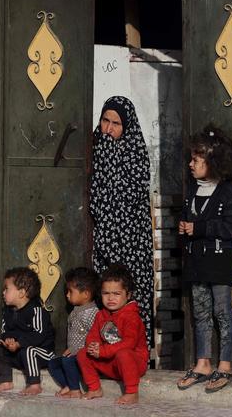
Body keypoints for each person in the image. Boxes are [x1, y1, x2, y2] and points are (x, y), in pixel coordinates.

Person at [176, 124, 232, 393]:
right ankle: (203, 362)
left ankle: (224, 364)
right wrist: (184, 228)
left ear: (212, 163)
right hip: (197, 264)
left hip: (218, 263)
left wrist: (199, 228)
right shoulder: (193, 190)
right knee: (201, 313)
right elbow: (190, 220)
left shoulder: (227, 193)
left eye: (196, 160)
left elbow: (231, 228)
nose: (191, 165)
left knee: (222, 313)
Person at [90, 95, 154, 346]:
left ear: (126, 126)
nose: (108, 128)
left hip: (131, 240)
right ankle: (104, 349)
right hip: (105, 236)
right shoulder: (95, 148)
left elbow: (129, 194)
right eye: (105, 121)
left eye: (115, 123)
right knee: (106, 292)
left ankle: (133, 350)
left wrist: (111, 156)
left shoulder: (135, 153)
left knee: (128, 292)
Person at [77, 264, 149, 405]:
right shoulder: (100, 314)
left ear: (128, 295)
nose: (110, 298)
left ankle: (132, 392)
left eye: (116, 294)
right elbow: (93, 335)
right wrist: (93, 346)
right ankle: (94, 388)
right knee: (82, 354)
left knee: (123, 353)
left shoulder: (132, 317)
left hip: (133, 364)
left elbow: (129, 343)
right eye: (106, 293)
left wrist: (103, 351)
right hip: (110, 362)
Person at [0, 267, 55, 395]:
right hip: (18, 352)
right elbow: (5, 331)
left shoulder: (36, 311)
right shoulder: (7, 311)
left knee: (29, 350)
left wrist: (19, 343)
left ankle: (34, 384)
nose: (3, 292)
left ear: (21, 293)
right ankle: (5, 381)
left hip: (42, 353)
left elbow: (39, 335)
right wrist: (8, 341)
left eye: (6, 289)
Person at [47, 267, 99, 398]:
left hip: (85, 355)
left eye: (70, 291)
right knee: (53, 363)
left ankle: (75, 390)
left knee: (68, 361)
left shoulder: (93, 313)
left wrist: (78, 349)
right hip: (72, 354)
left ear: (86, 294)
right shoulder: (75, 311)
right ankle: (68, 385)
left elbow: (95, 337)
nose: (67, 295)